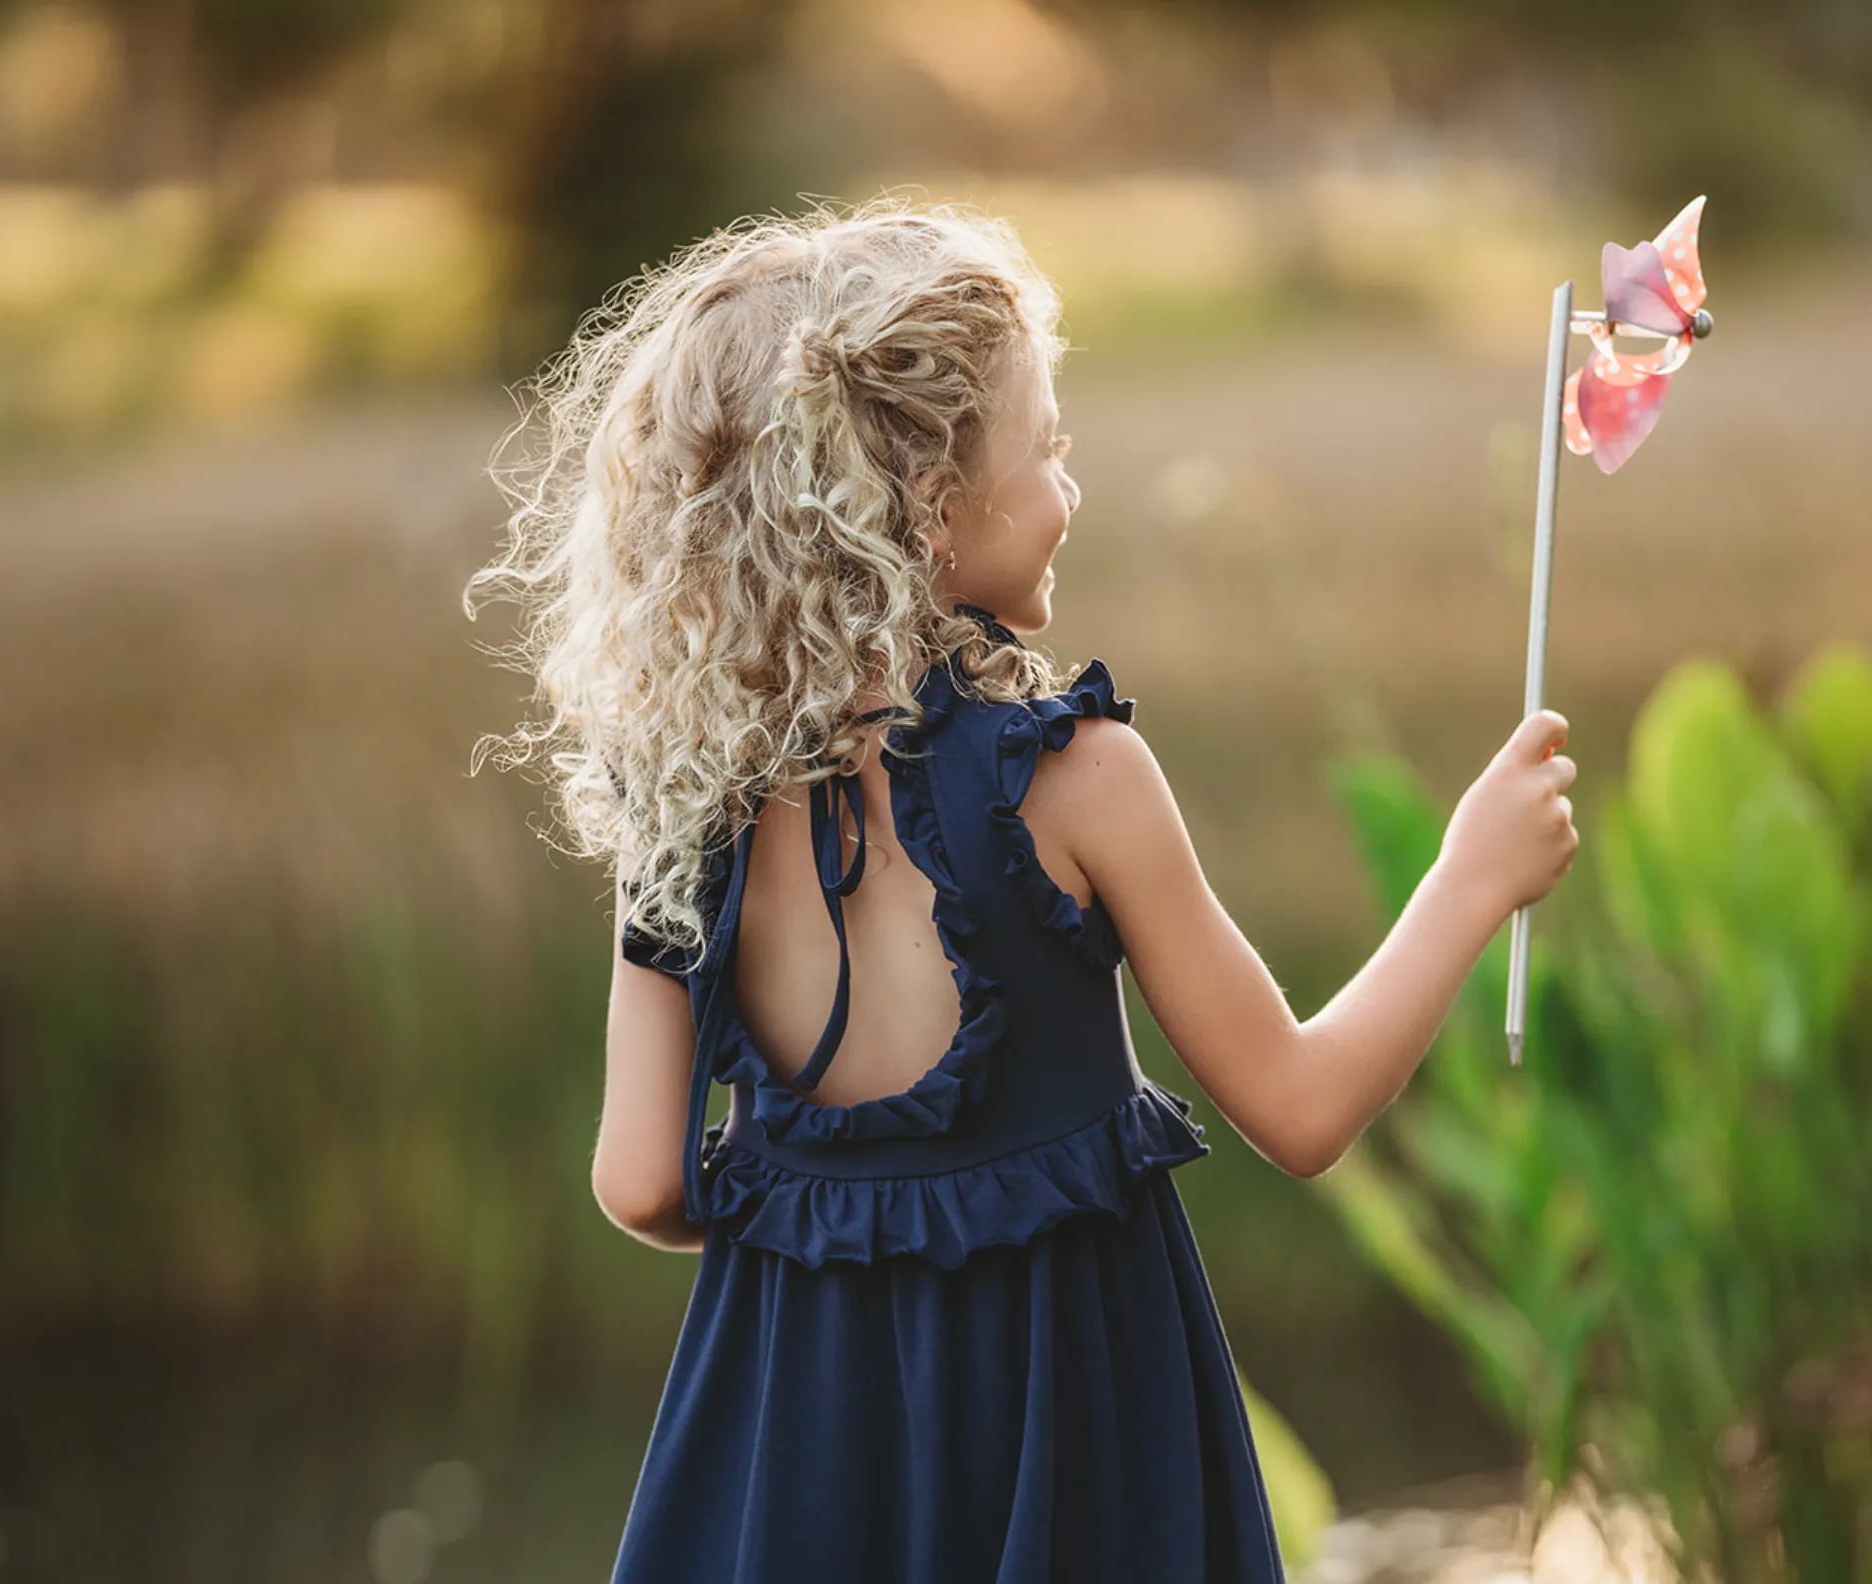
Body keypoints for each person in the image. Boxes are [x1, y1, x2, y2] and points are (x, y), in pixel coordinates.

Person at [465, 198, 1579, 1583]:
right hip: (1072, 1437)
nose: (1068, 486)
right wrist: (1468, 878)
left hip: (795, 1439)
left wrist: (834, 1220)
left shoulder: (685, 808)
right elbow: (1297, 1111)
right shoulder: (1075, 778)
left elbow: (639, 1180)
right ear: (930, 505)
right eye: (1046, 448)